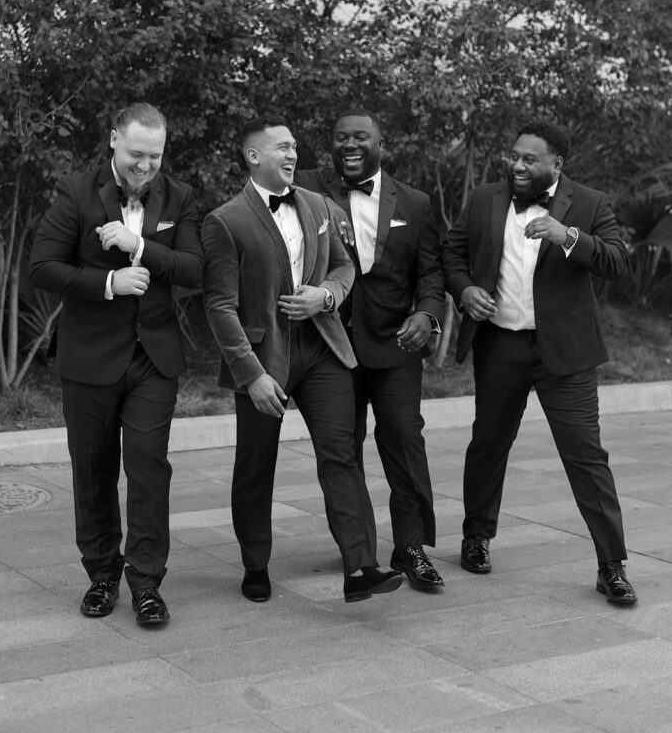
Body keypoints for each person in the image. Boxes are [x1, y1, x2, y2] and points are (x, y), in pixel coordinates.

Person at [202, 116, 402, 604]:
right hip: (263, 358)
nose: (293, 155)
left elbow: (343, 265)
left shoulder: (317, 204)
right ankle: (255, 565)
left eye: (294, 147)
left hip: (322, 350)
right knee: (256, 465)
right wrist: (251, 376)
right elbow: (219, 307)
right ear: (254, 157)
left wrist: (327, 297)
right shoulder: (224, 221)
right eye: (281, 148)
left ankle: (361, 567)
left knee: (341, 455)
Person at [442, 118, 637, 605]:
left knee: (586, 457)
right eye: (514, 156)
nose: (518, 165)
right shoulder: (486, 198)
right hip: (501, 345)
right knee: (487, 445)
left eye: (530, 159)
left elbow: (617, 262)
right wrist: (465, 290)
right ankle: (477, 538)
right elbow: (452, 252)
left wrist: (567, 235)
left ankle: (611, 565)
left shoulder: (590, 204)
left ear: (557, 164)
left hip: (565, 356)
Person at [29, 103, 204, 625]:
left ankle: (147, 584)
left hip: (153, 358)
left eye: (154, 155)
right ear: (112, 141)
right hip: (89, 359)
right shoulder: (76, 192)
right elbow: (42, 267)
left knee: (149, 468)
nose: (145, 165)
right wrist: (107, 283)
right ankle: (102, 576)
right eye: (135, 153)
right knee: (94, 470)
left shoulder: (180, 196)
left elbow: (194, 270)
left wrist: (142, 247)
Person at [296, 108, 446, 592]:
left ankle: (411, 547)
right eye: (341, 138)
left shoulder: (417, 202)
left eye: (361, 137)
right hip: (332, 347)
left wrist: (427, 314)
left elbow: (430, 273)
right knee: (343, 450)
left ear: (383, 143)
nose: (350, 145)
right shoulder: (308, 190)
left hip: (395, 345)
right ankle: (358, 554)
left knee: (405, 441)